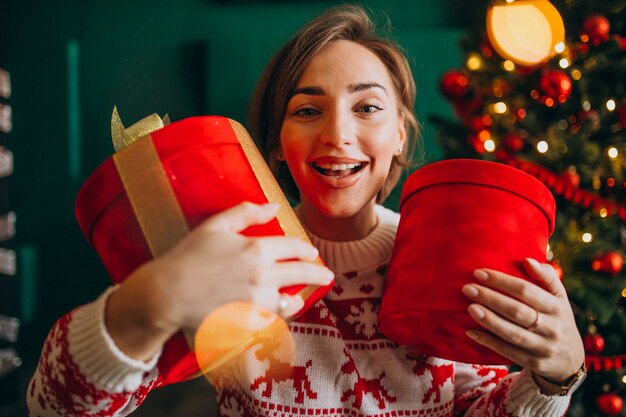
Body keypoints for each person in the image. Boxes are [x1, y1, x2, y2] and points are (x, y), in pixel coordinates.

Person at [27, 4, 585, 417]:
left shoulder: (454, 264)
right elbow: (55, 409)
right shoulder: (228, 260)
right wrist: (149, 301)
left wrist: (555, 378)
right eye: (307, 110)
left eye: (367, 107)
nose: (338, 135)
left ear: (400, 134)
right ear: (274, 145)